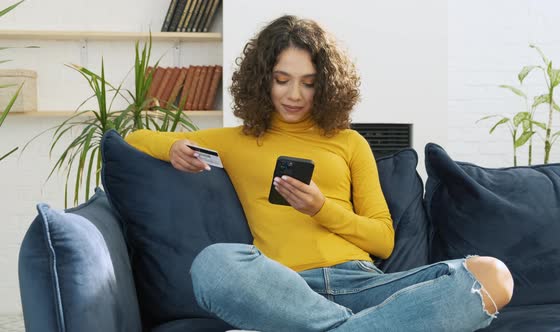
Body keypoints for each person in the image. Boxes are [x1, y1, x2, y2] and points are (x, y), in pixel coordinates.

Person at [125, 15, 514, 332]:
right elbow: (135, 136)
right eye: (282, 80)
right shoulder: (236, 141)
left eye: (309, 84)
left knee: (493, 275)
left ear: (326, 86)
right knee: (213, 264)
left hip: (366, 285)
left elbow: (382, 239)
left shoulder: (349, 143)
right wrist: (172, 146)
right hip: (284, 291)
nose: (294, 95)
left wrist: (320, 208)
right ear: (262, 81)